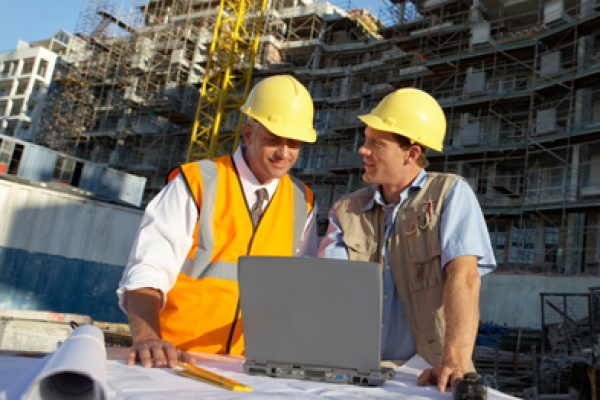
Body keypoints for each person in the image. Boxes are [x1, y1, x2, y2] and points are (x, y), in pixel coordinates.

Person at [118, 75, 319, 368]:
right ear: (249, 134)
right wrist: (146, 337)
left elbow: (297, 291)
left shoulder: (303, 200)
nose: (284, 153)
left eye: (294, 143)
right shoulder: (197, 182)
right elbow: (148, 269)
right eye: (273, 139)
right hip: (174, 361)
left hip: (251, 368)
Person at [318, 88, 496, 393]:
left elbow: (465, 277)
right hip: (358, 374)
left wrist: (454, 360)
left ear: (411, 153)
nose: (363, 150)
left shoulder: (449, 195)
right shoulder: (346, 209)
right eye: (365, 140)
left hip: (430, 375)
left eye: (376, 144)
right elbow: (328, 286)